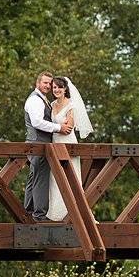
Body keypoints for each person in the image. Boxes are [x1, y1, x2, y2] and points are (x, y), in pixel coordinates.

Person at [23, 71, 72, 221]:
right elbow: (37, 122)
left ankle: (29, 210)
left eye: (50, 83)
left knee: (35, 176)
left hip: (38, 143)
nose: (48, 86)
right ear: (37, 83)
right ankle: (39, 214)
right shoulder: (35, 100)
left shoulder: (42, 99)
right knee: (41, 178)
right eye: (45, 83)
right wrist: (58, 127)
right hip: (38, 143)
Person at [46, 76, 93, 221]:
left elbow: (69, 128)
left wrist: (57, 127)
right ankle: (56, 215)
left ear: (65, 88)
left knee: (70, 177)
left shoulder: (71, 105)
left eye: (59, 87)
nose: (56, 90)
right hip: (55, 144)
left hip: (68, 144)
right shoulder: (52, 105)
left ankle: (73, 214)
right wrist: (59, 127)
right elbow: (60, 127)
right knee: (55, 178)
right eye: (54, 87)